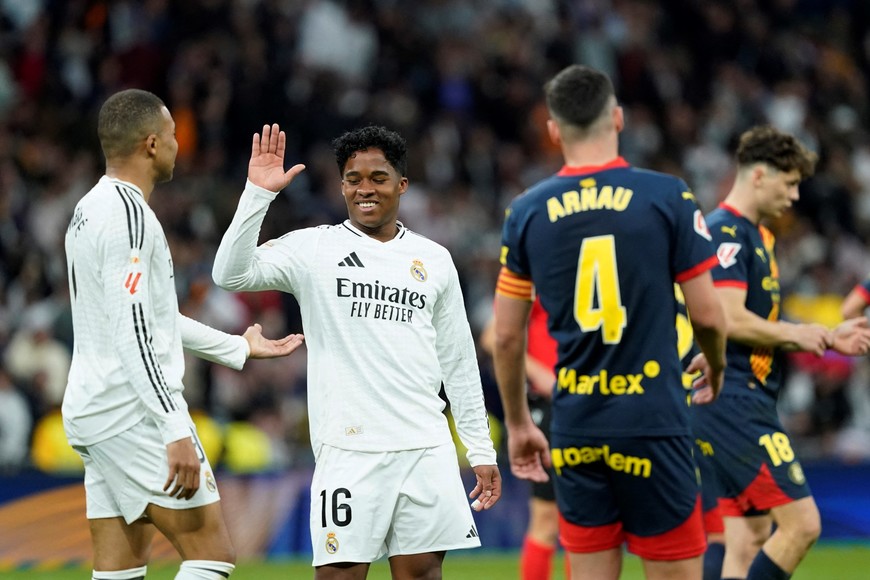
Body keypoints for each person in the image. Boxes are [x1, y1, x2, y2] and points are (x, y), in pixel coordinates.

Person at [212, 124, 501, 578]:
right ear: (342, 185)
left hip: (425, 446)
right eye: (353, 179)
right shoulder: (314, 247)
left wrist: (480, 449)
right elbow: (229, 274)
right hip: (349, 449)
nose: (365, 188)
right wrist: (258, 194)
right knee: (339, 574)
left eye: (378, 178)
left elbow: (459, 361)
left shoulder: (435, 259)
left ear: (402, 185)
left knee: (422, 574)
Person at [492, 63, 728, 580]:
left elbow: (505, 337)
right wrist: (715, 363)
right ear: (618, 118)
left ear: (553, 130)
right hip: (653, 421)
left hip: (576, 425)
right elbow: (708, 314)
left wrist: (519, 424)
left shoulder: (526, 211)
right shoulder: (668, 196)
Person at [63, 88, 305, 580]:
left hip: (94, 410)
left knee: (119, 567)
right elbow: (135, 331)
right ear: (151, 144)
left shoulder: (88, 209)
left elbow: (150, 317)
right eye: (173, 134)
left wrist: (237, 346)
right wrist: (174, 428)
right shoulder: (130, 217)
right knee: (211, 554)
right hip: (132, 411)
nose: (179, 144)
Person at [694, 124, 870, 580]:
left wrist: (828, 336)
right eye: (789, 183)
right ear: (758, 175)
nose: (794, 196)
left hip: (741, 397)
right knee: (803, 525)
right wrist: (802, 334)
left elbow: (760, 324)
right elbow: (729, 318)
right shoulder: (724, 232)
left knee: (748, 537)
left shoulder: (759, 237)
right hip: (731, 399)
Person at [481, 297, 561, 580]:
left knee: (583, 520)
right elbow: (492, 336)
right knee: (547, 518)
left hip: (589, 402)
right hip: (551, 407)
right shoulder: (540, 276)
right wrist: (542, 374)